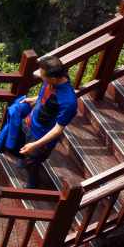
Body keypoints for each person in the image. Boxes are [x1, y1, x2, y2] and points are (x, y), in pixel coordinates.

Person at [12, 55, 78, 189]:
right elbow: (46, 97)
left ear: (53, 79)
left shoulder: (68, 102)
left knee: (32, 163)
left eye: (42, 75)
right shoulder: (52, 81)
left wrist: (35, 145)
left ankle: (33, 182)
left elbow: (58, 130)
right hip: (30, 120)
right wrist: (34, 99)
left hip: (42, 136)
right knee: (14, 141)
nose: (40, 77)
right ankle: (25, 158)